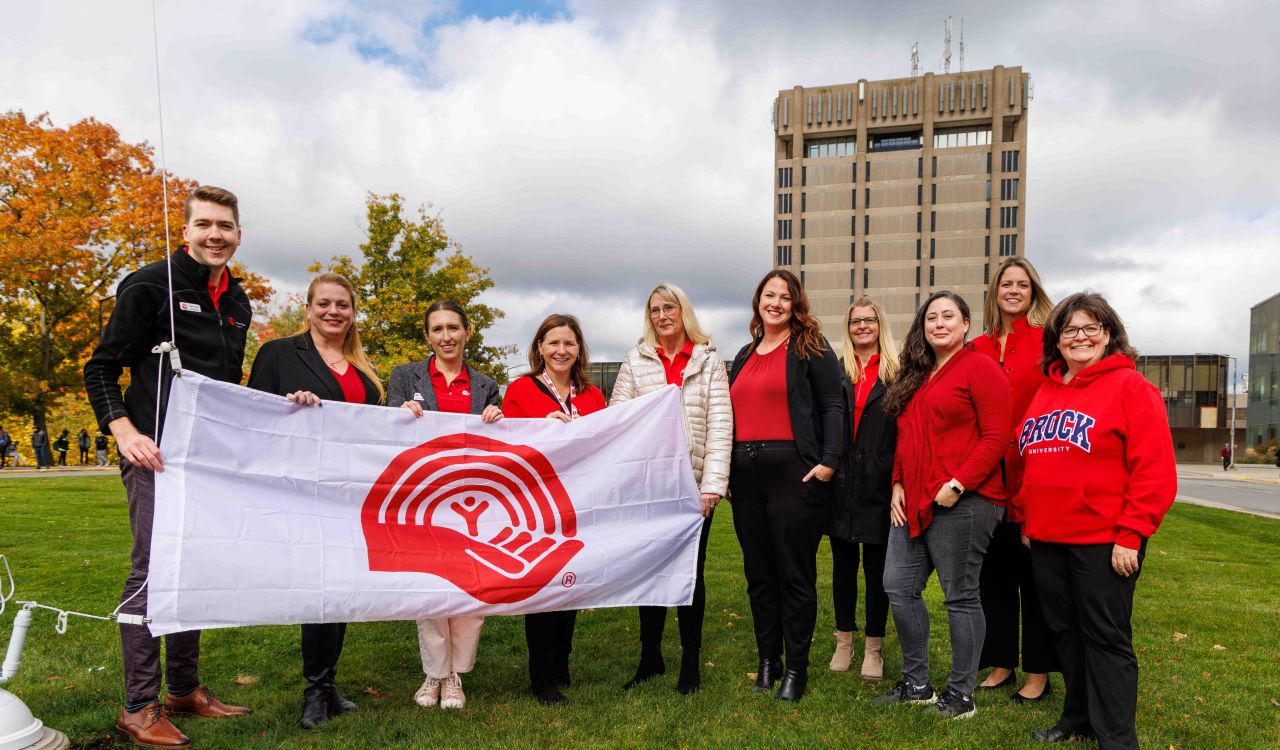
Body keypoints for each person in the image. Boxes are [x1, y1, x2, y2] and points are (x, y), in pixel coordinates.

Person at [84, 185, 254, 747]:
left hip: (206, 460)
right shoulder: (148, 284)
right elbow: (101, 368)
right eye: (204, 224)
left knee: (194, 568)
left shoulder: (238, 301)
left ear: (238, 233)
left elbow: (224, 389)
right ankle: (138, 705)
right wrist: (124, 432)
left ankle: (185, 690)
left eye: (225, 227)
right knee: (152, 574)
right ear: (184, 230)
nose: (215, 235)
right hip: (154, 454)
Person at [1018, 293, 1176, 748]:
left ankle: (1117, 737)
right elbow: (1032, 458)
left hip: (1104, 540)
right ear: (1057, 339)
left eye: (1092, 328)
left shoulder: (1132, 388)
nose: (1081, 337)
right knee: (1065, 635)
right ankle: (1079, 717)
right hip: (1048, 537)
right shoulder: (1046, 389)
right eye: (1070, 330)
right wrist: (1030, 520)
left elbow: (1154, 470)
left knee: (1105, 638)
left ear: (1109, 335)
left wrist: (1132, 534)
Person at [247, 273, 384, 730]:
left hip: (349, 494)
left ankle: (328, 685)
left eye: (342, 305)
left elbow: (371, 431)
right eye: (323, 303)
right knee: (317, 590)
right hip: (302, 489)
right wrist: (289, 406)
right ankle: (314, 689)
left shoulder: (363, 371)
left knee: (339, 592)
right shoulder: (279, 354)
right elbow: (255, 419)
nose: (333, 312)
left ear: (352, 313)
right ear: (307, 309)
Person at [874, 291, 1010, 720]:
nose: (939, 324)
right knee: (898, 586)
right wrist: (897, 481)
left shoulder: (981, 368)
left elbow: (996, 436)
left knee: (960, 596)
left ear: (966, 323)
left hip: (964, 501)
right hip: (911, 500)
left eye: (948, 316)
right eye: (931, 317)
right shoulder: (918, 375)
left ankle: (960, 695)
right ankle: (917, 684)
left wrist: (959, 483)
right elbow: (906, 436)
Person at [610, 283, 732, 695]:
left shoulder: (708, 361)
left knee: (689, 575)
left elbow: (720, 425)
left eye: (669, 308)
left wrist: (712, 485)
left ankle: (690, 663)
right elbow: (618, 419)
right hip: (649, 486)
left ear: (684, 311)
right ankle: (650, 657)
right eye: (655, 310)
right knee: (650, 571)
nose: (662, 316)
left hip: (693, 485)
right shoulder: (635, 360)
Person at [728, 269, 843, 703]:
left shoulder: (810, 346)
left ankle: (796, 669)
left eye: (784, 297)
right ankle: (767, 662)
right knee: (758, 574)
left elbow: (834, 405)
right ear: (758, 300)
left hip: (794, 474)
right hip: (746, 476)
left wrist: (829, 462)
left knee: (794, 575)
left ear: (796, 304)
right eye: (768, 295)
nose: (775, 303)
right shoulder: (743, 353)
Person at [387, 300, 503, 712]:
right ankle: (435, 672)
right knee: (432, 588)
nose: (446, 336)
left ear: (467, 332)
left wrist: (497, 415)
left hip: (473, 499)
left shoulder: (486, 384)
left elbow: (501, 441)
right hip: (425, 498)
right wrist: (399, 414)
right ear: (427, 336)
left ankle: (456, 674)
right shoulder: (405, 377)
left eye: (454, 327)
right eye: (437, 329)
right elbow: (385, 433)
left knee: (472, 589)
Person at [501, 314, 607, 705]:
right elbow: (506, 445)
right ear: (540, 348)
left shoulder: (592, 395)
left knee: (572, 585)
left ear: (579, 349)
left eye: (569, 343)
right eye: (553, 343)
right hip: (539, 504)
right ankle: (542, 676)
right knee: (544, 588)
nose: (561, 350)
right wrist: (542, 428)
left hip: (581, 502)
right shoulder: (521, 389)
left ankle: (562, 662)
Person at [971, 257, 1058, 702]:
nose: (1014, 290)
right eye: (1007, 284)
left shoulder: (1048, 342)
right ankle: (1001, 662)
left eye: (1022, 284)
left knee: (1034, 576)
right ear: (995, 291)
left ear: (1033, 291)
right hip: (988, 477)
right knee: (994, 575)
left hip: (1034, 471)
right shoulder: (978, 347)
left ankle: (1039, 671)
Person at [827, 297, 898, 680]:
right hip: (841, 485)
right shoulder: (836, 372)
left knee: (876, 573)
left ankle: (873, 647)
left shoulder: (897, 373)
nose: (862, 326)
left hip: (879, 485)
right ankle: (844, 642)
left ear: (879, 325)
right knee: (842, 569)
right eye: (855, 321)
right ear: (848, 326)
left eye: (869, 320)